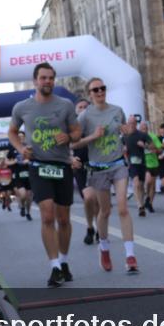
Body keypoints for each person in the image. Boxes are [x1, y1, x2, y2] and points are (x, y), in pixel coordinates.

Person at [8, 63, 81, 288]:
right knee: (47, 216)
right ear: (35, 81)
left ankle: (65, 261)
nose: (47, 81)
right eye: (43, 78)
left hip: (61, 166)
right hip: (38, 166)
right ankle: (55, 266)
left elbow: (77, 132)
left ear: (54, 80)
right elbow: (12, 132)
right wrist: (21, 149)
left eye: (50, 78)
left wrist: (68, 137)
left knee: (63, 219)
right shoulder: (22, 107)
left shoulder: (65, 105)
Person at [73, 78, 139, 273]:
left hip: (118, 163)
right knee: (105, 211)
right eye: (96, 89)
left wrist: (129, 131)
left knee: (123, 207)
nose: (100, 92)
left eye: (103, 88)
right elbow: (73, 144)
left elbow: (125, 133)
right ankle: (104, 248)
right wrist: (93, 137)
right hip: (98, 168)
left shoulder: (117, 110)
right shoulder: (84, 117)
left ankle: (130, 255)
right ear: (90, 93)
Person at [71, 98, 98, 245]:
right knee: (88, 198)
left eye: (85, 106)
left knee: (99, 200)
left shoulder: (96, 124)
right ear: (76, 111)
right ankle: (89, 227)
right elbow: (65, 146)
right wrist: (70, 158)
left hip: (97, 164)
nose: (83, 109)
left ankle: (100, 227)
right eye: (80, 107)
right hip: (80, 166)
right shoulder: (72, 127)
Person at [124, 117, 151, 217]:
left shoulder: (142, 135)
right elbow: (120, 150)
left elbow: (153, 147)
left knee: (141, 185)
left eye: (133, 123)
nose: (131, 124)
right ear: (127, 123)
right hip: (132, 164)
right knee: (135, 183)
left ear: (136, 123)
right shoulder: (125, 136)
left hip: (142, 164)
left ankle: (142, 203)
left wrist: (144, 146)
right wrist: (124, 152)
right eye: (129, 123)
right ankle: (139, 206)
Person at [142, 121, 163, 213]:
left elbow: (160, 149)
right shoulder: (138, 138)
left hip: (154, 163)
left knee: (153, 186)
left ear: (147, 129)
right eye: (142, 129)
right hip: (144, 164)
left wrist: (155, 150)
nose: (143, 130)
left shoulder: (153, 137)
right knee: (148, 181)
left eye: (145, 128)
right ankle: (147, 197)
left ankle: (150, 203)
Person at [9, 139, 32, 221]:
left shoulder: (30, 148)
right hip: (19, 175)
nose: (21, 139)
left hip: (30, 175)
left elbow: (37, 158)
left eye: (22, 137)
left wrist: (29, 160)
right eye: (19, 137)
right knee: (23, 195)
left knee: (29, 197)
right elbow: (7, 161)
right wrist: (14, 161)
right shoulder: (13, 149)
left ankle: (28, 213)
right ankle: (22, 206)